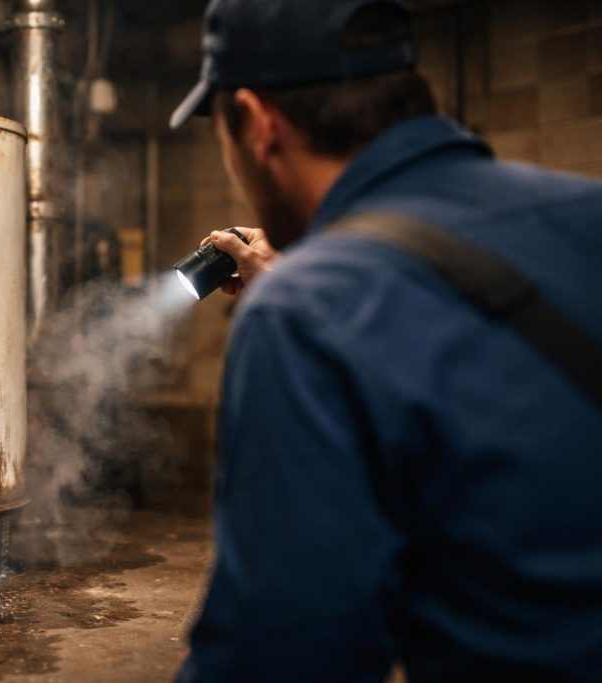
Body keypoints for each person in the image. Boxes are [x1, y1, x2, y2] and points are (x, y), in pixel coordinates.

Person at [169, 1, 602, 681]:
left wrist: (305, 288)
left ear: (257, 124)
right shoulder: (587, 214)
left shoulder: (303, 315)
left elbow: (285, 655)